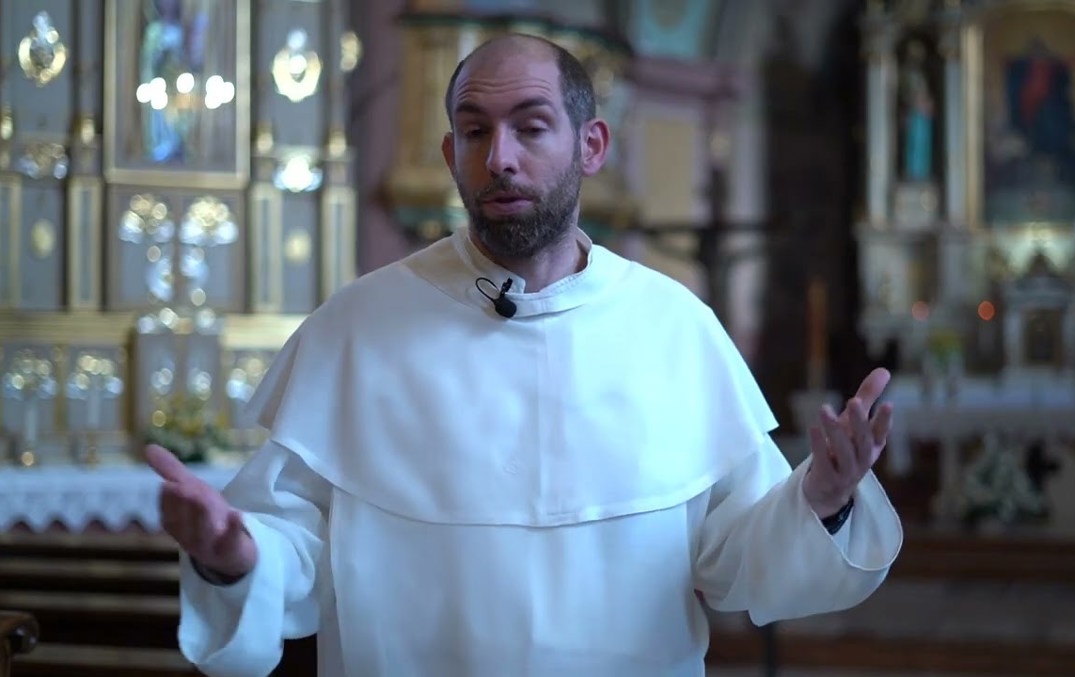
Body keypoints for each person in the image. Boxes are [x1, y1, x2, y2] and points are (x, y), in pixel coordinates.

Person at [148, 33, 903, 677]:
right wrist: (235, 556)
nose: (499, 158)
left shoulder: (673, 327)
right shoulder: (356, 328)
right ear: (451, 154)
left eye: (531, 127)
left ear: (591, 145)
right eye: (475, 133)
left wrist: (821, 499)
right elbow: (292, 551)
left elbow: (735, 559)